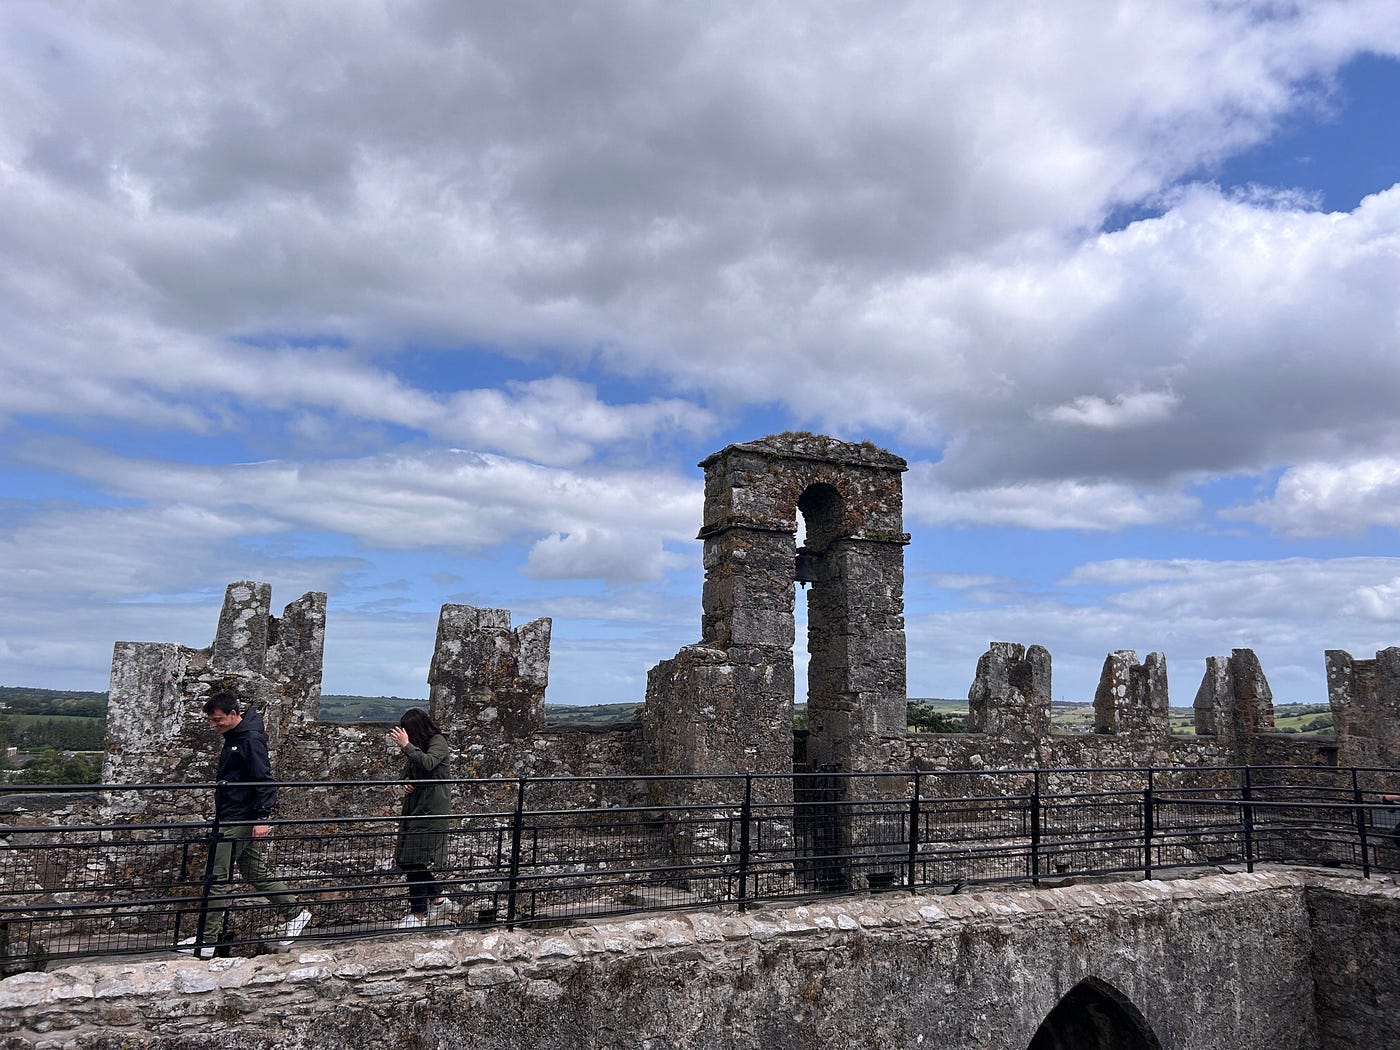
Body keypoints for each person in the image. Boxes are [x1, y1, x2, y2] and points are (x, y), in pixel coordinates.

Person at [179, 691, 312, 957]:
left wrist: (262, 818)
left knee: (216, 879)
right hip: (233, 814)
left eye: (217, 720)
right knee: (255, 872)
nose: (213, 725)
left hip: (239, 818)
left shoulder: (249, 739)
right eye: (211, 721)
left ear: (233, 714)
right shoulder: (236, 737)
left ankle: (206, 943)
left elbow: (264, 779)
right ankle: (295, 912)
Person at [390, 708, 454, 928]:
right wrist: (404, 785)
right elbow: (405, 775)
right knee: (408, 859)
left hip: (431, 812)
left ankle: (419, 914)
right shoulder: (418, 747)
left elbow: (428, 763)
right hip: (416, 809)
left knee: (413, 859)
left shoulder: (438, 742)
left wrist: (406, 745)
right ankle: (437, 899)